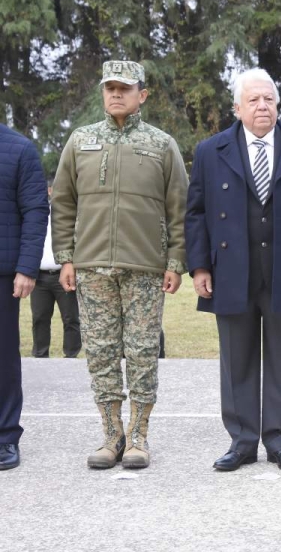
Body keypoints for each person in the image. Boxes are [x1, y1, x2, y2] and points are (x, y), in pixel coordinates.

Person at [185, 68, 281, 472]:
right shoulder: (209, 152)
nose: (262, 106)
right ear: (237, 108)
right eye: (253, 100)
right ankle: (242, 440)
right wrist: (199, 266)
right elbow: (196, 214)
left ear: (277, 104)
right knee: (237, 360)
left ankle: (280, 440)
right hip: (231, 270)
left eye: (268, 99)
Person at [52, 60, 188, 470]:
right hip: (91, 267)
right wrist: (65, 258)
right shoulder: (80, 141)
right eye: (110, 88)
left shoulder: (162, 144)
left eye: (125, 88)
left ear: (142, 95)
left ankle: (140, 437)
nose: (116, 94)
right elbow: (62, 202)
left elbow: (179, 207)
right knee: (101, 353)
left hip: (145, 268)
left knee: (143, 351)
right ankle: (111, 436)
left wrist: (176, 261)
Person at [0, 123, 49, 471]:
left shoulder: (20, 149)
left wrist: (27, 267)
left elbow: (35, 210)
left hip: (3, 273)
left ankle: (5, 438)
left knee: (2, 359)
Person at [31, 183, 81, 359]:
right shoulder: (35, 214)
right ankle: (40, 355)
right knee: (39, 318)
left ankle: (71, 356)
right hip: (40, 276)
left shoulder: (69, 215)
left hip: (63, 274)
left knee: (71, 319)